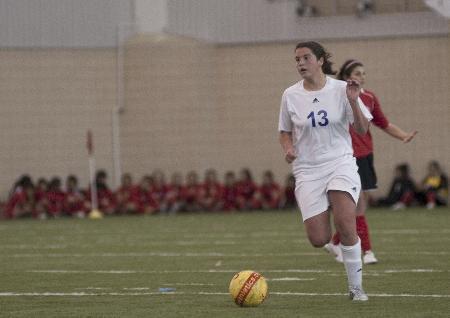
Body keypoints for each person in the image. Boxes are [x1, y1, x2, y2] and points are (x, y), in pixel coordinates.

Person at [278, 41, 373, 301]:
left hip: (339, 162)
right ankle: (329, 237)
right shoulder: (290, 95)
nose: (300, 63)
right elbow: (284, 131)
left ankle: (356, 288)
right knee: (318, 239)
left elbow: (363, 129)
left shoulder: (342, 89)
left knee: (345, 222)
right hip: (307, 170)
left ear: (320, 60)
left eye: (306, 58)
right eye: (297, 59)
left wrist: (354, 102)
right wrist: (288, 149)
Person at [325, 59, 418, 265]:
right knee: (358, 206)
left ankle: (335, 242)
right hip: (345, 157)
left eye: (363, 73)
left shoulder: (369, 97)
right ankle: (367, 252)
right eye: (357, 73)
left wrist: (403, 136)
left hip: (365, 157)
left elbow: (383, 123)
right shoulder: (336, 96)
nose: (362, 77)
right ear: (347, 76)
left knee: (356, 206)